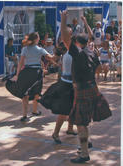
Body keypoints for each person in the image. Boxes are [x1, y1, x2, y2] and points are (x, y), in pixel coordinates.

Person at [61, 10, 111, 163]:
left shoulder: (78, 52)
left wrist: (63, 20)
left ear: (77, 43)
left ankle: (84, 153)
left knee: (81, 123)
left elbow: (64, 37)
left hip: (82, 89)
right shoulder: (91, 52)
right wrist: (84, 22)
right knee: (84, 120)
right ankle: (86, 143)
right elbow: (98, 68)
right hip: (92, 88)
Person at [6, 32, 57, 122]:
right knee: (37, 93)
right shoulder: (40, 49)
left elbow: (21, 63)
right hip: (36, 73)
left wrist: (17, 75)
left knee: (25, 94)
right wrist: (58, 54)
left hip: (26, 72)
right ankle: (34, 111)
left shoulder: (25, 49)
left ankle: (25, 115)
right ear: (36, 40)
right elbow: (51, 57)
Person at [39, 41, 77, 144]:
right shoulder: (70, 55)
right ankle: (56, 133)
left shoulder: (68, 55)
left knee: (72, 109)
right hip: (68, 85)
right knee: (64, 111)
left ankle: (69, 128)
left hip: (68, 84)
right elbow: (71, 71)